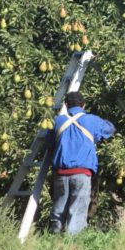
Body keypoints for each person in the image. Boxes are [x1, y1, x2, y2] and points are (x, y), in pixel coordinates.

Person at [47, 91, 115, 234]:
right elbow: (110, 129)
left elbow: (50, 143)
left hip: (60, 174)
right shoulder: (91, 120)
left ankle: (53, 242)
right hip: (81, 174)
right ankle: (72, 247)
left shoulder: (57, 121)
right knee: (76, 214)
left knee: (59, 210)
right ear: (83, 105)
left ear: (66, 105)